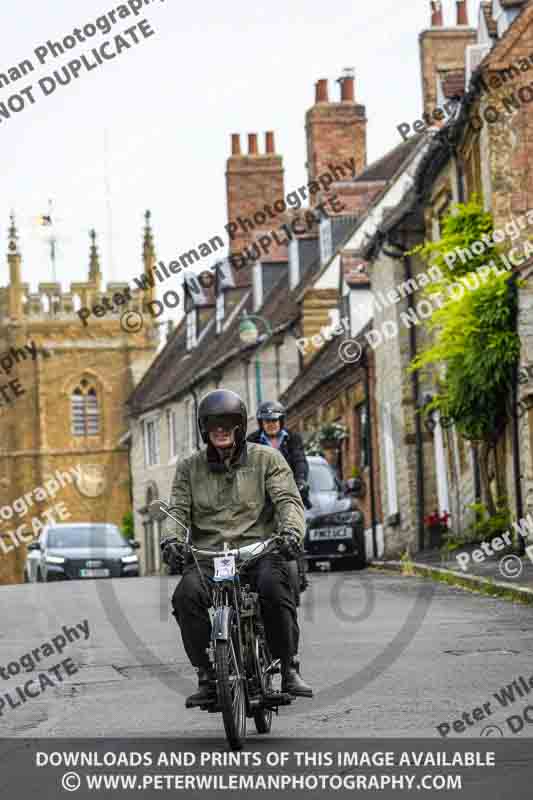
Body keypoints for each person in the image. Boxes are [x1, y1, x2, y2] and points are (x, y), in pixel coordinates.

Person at [160, 389, 313, 706]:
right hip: (210, 555)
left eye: (228, 424)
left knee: (275, 587)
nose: (221, 431)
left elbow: (288, 501)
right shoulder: (190, 468)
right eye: (214, 425)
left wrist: (290, 534)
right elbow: (177, 510)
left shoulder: (267, 458)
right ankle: (205, 673)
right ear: (204, 429)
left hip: (259, 550)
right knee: (186, 595)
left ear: (240, 427)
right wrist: (172, 540)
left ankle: (288, 666)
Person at [247, 401, 311, 510]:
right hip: (262, 496)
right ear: (261, 423)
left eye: (274, 420)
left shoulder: (293, 438)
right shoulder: (252, 441)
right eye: (267, 421)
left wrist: (300, 479)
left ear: (281, 421)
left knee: (294, 523)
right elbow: (248, 467)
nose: (271, 424)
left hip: (289, 492)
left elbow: (299, 460)